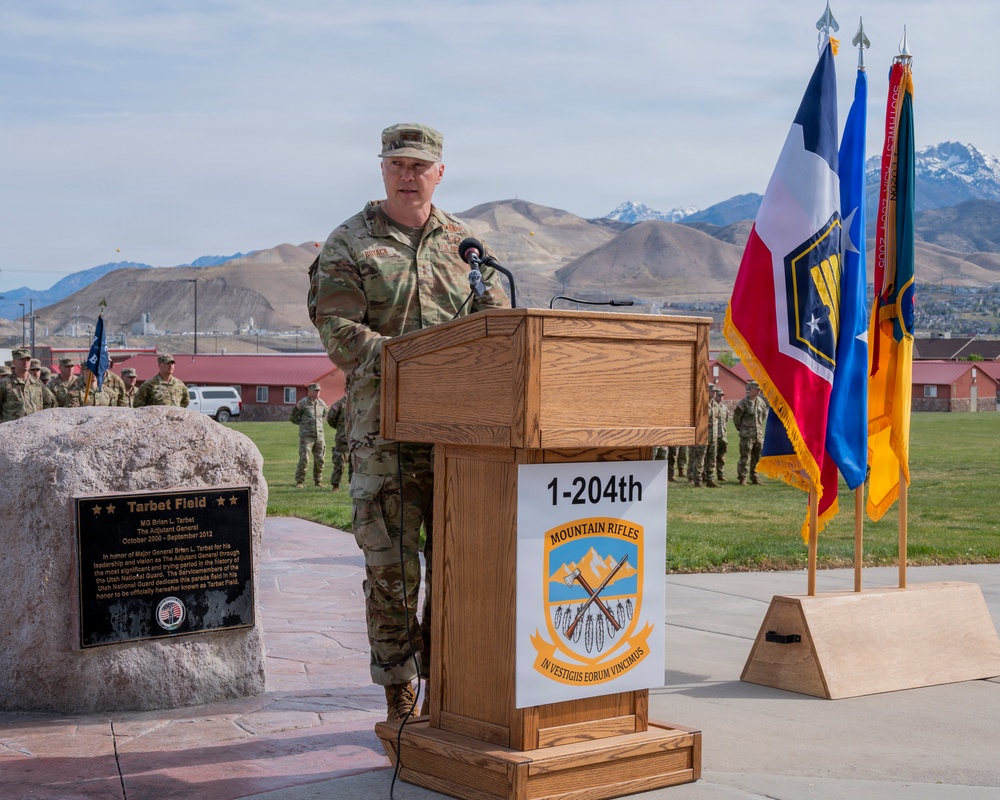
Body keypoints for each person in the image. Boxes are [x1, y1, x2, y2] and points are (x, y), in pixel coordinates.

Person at [307, 122, 509, 722]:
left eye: (419, 165)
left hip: (461, 438)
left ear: (439, 172)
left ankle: (452, 679)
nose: (407, 174)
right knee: (391, 568)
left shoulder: (466, 246)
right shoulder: (349, 242)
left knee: (460, 563)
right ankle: (399, 686)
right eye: (397, 163)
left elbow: (495, 324)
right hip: (384, 431)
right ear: (382, 169)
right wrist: (408, 362)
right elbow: (338, 331)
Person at [0, 348, 57, 422]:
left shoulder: (37, 383)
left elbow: (50, 403)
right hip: (12, 430)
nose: (25, 362)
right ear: (14, 362)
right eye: (22, 359)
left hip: (35, 428)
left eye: (28, 359)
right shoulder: (4, 384)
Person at [289, 383, 328, 488]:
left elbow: (325, 415)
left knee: (320, 459)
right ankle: (300, 481)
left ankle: (318, 481)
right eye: (315, 390)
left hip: (319, 436)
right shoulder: (302, 403)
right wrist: (302, 425)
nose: (317, 392)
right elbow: (292, 417)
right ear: (309, 391)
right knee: (304, 458)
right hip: (306, 437)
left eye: (318, 391)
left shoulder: (322, 404)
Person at [733, 380, 769, 485]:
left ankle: (755, 477)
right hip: (747, 435)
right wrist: (742, 429)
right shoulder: (743, 403)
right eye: (757, 389)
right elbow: (736, 418)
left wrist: (757, 427)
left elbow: (763, 416)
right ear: (751, 389)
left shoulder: (761, 402)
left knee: (757, 457)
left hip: (758, 434)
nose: (758, 391)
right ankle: (742, 478)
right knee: (745, 457)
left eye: (759, 390)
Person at [326, 395, 351, 492]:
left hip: (355, 438)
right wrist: (340, 429)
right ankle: (335, 485)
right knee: (339, 463)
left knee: (355, 464)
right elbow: (330, 419)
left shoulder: (359, 402)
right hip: (342, 439)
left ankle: (353, 485)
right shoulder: (340, 404)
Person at [713, 387, 730, 482]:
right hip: (713, 436)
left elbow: (726, 421)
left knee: (722, 457)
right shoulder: (712, 406)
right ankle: (707, 475)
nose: (721, 397)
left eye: (722, 396)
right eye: (719, 395)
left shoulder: (725, 408)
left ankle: (720, 474)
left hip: (722, 436)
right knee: (711, 457)